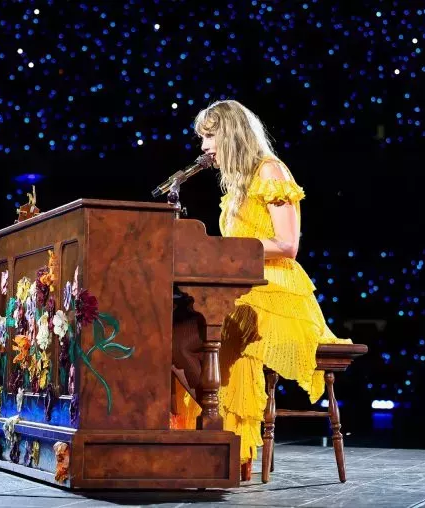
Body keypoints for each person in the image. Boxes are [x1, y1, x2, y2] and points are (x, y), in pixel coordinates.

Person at [170, 99, 352, 481]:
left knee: (210, 336)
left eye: (209, 137)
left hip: (276, 293)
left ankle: (227, 444)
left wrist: (226, 249)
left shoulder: (271, 171)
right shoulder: (236, 186)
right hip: (243, 289)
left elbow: (287, 245)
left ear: (230, 134)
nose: (204, 147)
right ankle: (210, 437)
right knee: (177, 333)